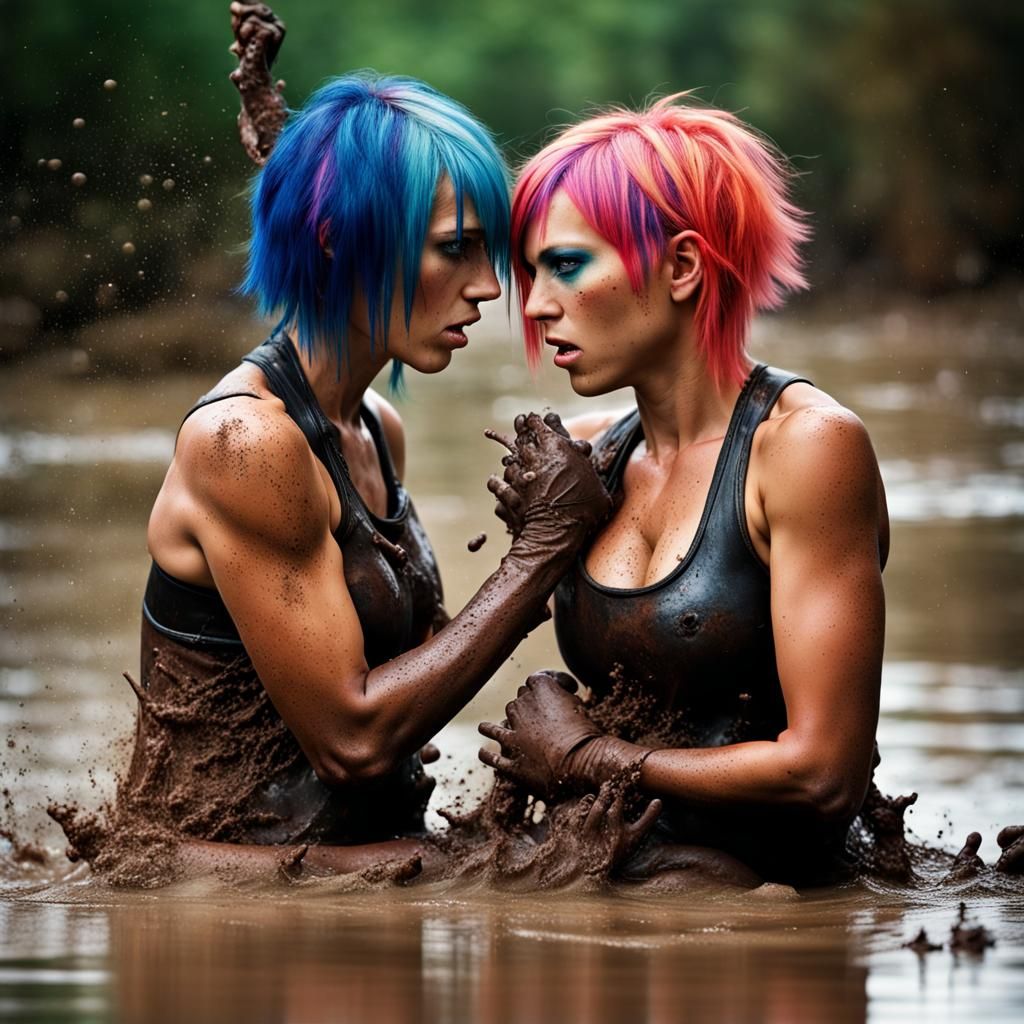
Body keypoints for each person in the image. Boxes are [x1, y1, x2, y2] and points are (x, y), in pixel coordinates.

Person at [89, 68, 615, 883]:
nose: (489, 287)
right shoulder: (246, 442)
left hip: (345, 865)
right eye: (456, 249)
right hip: (226, 893)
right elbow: (352, 738)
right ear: (338, 239)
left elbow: (406, 654)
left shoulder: (375, 428)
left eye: (490, 252)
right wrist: (544, 548)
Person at [479, 95, 890, 886]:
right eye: (528, 273)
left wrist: (592, 757)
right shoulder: (591, 454)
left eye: (565, 265)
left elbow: (824, 772)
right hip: (614, 878)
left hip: (755, 917)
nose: (533, 305)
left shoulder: (804, 449)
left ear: (682, 266)